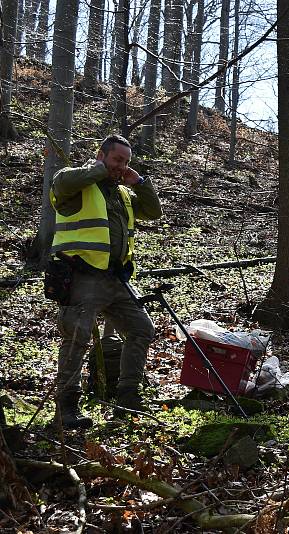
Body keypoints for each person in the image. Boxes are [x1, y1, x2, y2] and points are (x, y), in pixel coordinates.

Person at [49, 134, 163, 428]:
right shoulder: (75, 183)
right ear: (101, 155)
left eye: (126, 162)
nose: (121, 167)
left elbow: (153, 211)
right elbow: (60, 185)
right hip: (82, 276)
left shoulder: (122, 194)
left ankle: (127, 399)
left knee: (142, 330)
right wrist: (100, 169)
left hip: (116, 279)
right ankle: (66, 410)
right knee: (76, 337)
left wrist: (139, 182)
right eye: (117, 160)